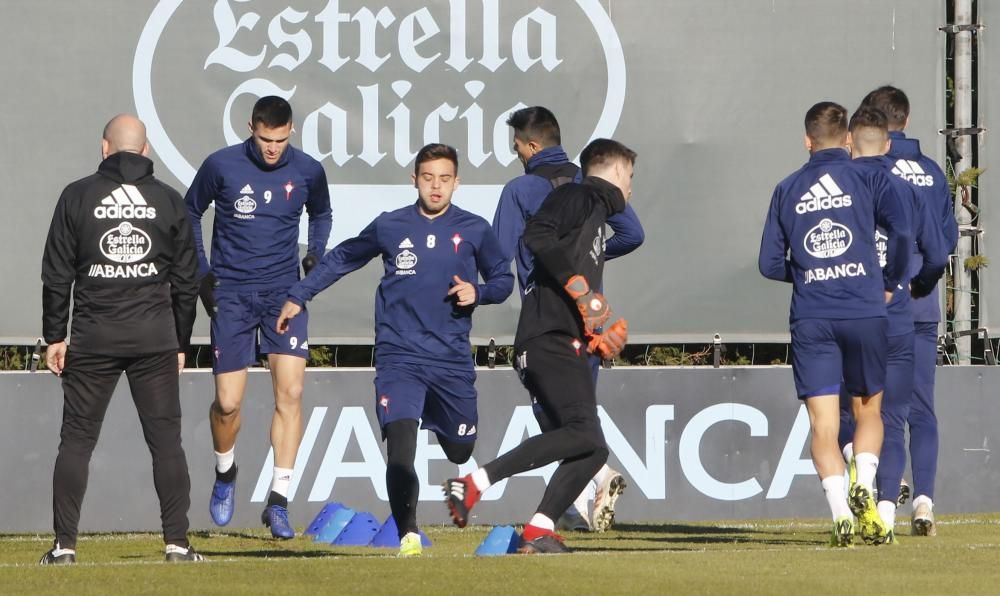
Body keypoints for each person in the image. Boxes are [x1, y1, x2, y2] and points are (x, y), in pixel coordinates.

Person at [276, 143, 513, 557]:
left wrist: (480, 292)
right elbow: (344, 257)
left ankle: (444, 429)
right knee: (400, 449)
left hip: (450, 359)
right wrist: (300, 294)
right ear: (414, 180)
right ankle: (408, 535)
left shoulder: (474, 229)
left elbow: (503, 279)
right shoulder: (391, 225)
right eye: (428, 178)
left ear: (457, 182)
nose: (436, 187)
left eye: (444, 179)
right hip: (398, 357)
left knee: (461, 449)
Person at [445, 138, 636, 554]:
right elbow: (537, 235)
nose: (631, 189)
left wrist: (599, 332)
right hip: (546, 337)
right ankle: (475, 483)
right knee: (584, 434)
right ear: (615, 171)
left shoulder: (594, 213)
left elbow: (579, 290)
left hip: (561, 339)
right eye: (631, 177)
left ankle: (539, 528)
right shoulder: (577, 193)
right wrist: (583, 293)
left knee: (590, 446)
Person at [40, 114, 202, 563]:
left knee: (75, 440)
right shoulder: (169, 201)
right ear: (145, 150)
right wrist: (180, 342)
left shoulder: (77, 196)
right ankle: (177, 544)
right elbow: (187, 281)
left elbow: (56, 273)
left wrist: (55, 335)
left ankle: (64, 548)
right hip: (154, 339)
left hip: (93, 337)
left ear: (104, 148)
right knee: (166, 441)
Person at [758, 102, 911, 547]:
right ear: (847, 139)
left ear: (807, 141)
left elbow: (769, 264)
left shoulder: (787, 189)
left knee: (823, 425)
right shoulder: (868, 176)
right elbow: (902, 232)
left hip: (812, 316)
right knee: (869, 411)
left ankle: (841, 512)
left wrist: (809, 270)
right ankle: (864, 478)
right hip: (864, 309)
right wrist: (890, 280)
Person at [185, 96, 332, 538]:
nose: (273, 148)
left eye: (281, 140)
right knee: (227, 402)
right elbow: (190, 211)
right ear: (251, 127)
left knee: (291, 390)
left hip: (283, 295)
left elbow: (321, 212)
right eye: (266, 139)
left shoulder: (307, 170)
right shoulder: (221, 165)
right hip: (230, 294)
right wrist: (202, 273)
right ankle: (226, 471)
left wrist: (315, 254)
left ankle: (279, 499)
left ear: (291, 132)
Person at [492, 106, 645, 532]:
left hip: (546, 319)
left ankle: (591, 485)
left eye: (518, 147)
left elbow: (500, 255)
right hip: (590, 318)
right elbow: (633, 235)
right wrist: (586, 260)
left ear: (532, 145)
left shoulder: (521, 188)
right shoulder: (590, 185)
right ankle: (574, 506)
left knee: (553, 418)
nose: (518, 155)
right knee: (580, 415)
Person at [837, 104, 951, 541]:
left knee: (858, 408)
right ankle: (921, 499)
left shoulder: (850, 178)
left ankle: (876, 478)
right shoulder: (929, 173)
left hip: (863, 306)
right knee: (916, 410)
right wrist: (920, 282)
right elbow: (941, 245)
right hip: (915, 306)